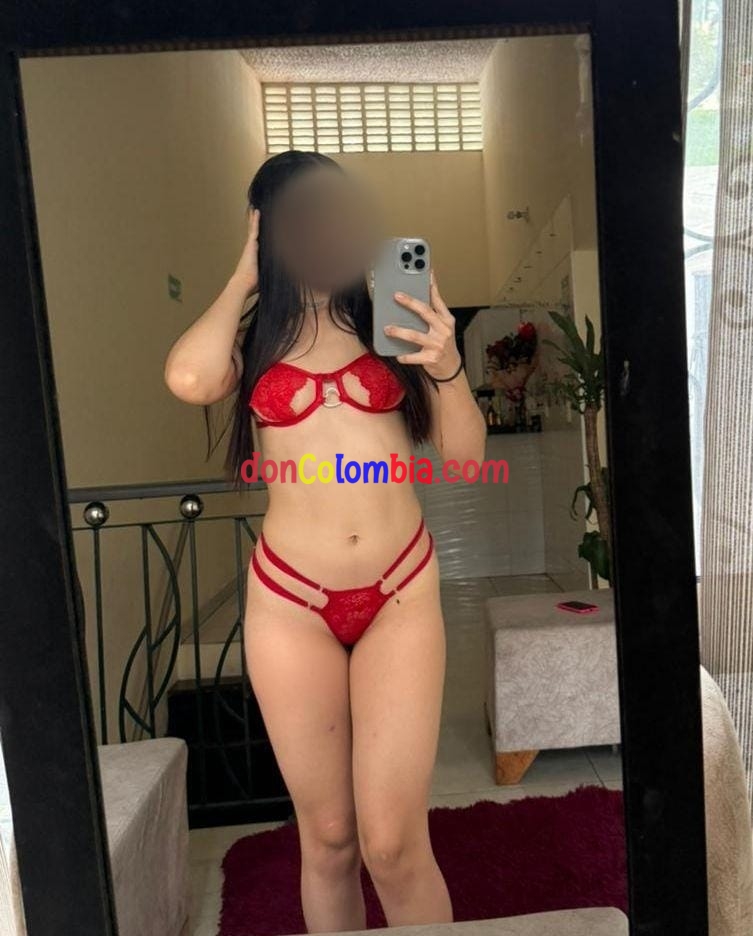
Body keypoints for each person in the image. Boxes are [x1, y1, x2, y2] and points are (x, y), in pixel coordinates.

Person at [164, 150, 486, 932]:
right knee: (331, 838)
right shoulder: (253, 339)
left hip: (398, 594)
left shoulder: (394, 323)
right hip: (291, 603)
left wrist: (446, 365)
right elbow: (189, 379)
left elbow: (465, 462)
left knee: (393, 844)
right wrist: (242, 277)